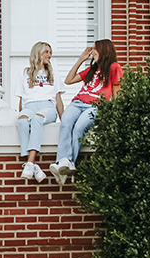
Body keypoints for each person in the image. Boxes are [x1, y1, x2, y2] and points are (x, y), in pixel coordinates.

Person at [50, 39, 123, 185]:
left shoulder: (114, 67)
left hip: (96, 106)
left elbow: (117, 94)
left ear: (104, 50)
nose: (92, 52)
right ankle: (62, 162)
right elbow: (68, 80)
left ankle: (70, 161)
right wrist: (81, 59)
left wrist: (112, 113)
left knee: (79, 126)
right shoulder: (92, 69)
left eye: (96, 49)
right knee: (66, 121)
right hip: (78, 103)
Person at [14, 42, 65, 183]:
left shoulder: (53, 74)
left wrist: (64, 121)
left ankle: (30, 162)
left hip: (47, 106)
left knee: (37, 119)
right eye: (46, 52)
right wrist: (21, 114)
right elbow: (21, 100)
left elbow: (58, 100)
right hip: (29, 106)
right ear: (37, 53)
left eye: (50, 52)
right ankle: (33, 166)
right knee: (22, 121)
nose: (49, 55)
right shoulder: (24, 73)